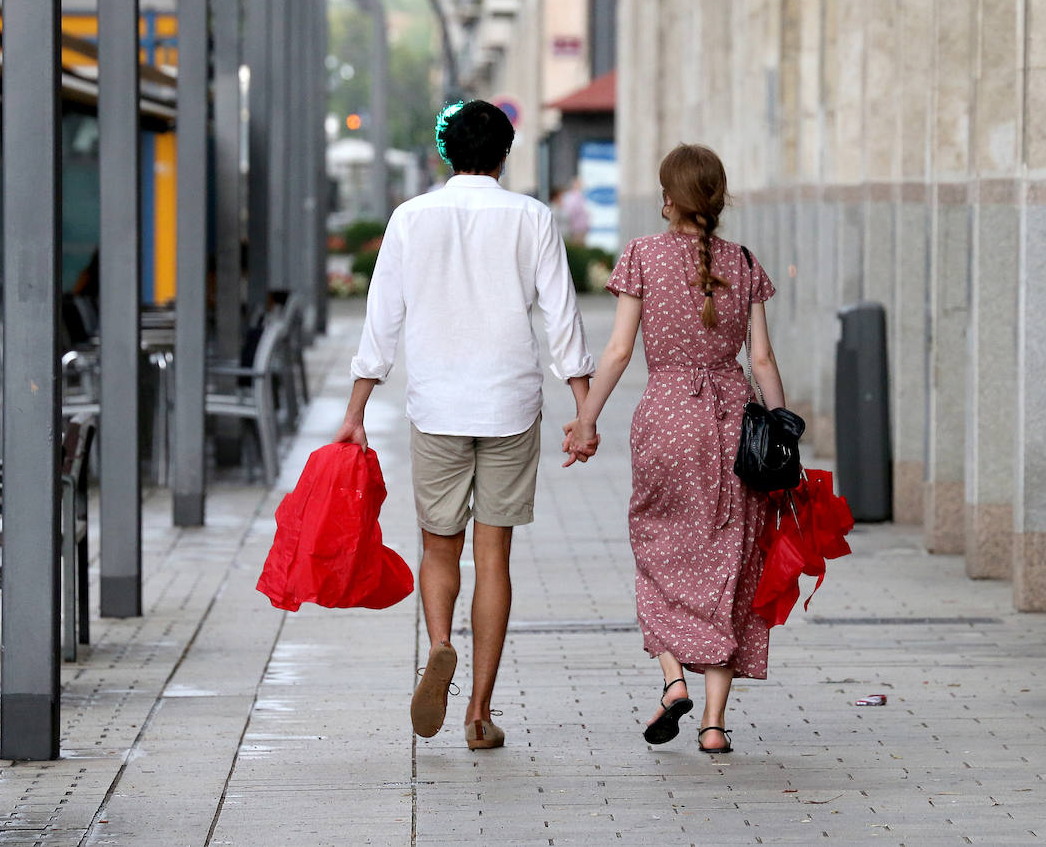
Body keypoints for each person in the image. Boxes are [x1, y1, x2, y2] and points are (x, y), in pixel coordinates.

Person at [335, 100, 596, 750]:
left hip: (438, 406)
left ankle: (442, 644)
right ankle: (479, 711)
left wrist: (356, 409)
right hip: (509, 405)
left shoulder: (410, 218)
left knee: (438, 546)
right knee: (494, 554)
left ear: (445, 153)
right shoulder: (531, 218)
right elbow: (563, 321)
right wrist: (583, 410)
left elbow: (382, 319)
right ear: (506, 153)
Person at [561, 144, 786, 755]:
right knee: (730, 563)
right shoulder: (743, 262)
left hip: (666, 420)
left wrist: (585, 421)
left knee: (658, 550)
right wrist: (781, 433)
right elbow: (761, 359)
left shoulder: (641, 255)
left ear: (669, 198)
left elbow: (617, 352)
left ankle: (671, 681)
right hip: (735, 422)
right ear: (717, 198)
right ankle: (714, 723)